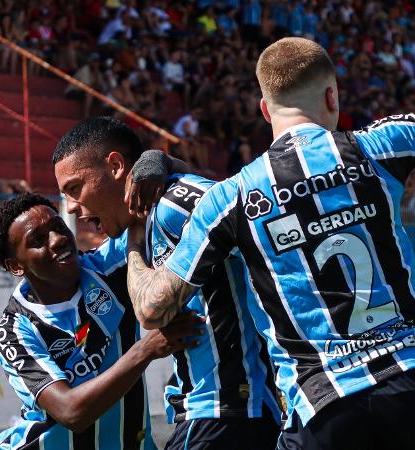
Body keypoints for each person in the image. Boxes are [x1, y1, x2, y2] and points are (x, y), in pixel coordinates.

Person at [126, 37, 415, 449]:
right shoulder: (381, 145)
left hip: (323, 407)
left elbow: (152, 308)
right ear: (332, 96)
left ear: (265, 110)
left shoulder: (231, 197)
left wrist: (136, 243)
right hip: (407, 377)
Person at [53, 117, 281, 449]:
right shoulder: (130, 229)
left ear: (116, 166)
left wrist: (161, 161)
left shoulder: (172, 201)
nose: (72, 207)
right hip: (224, 415)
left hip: (226, 412)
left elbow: (243, 207)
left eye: (75, 188)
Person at [0, 192, 203, 450]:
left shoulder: (109, 266)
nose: (58, 239)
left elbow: (151, 207)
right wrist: (145, 350)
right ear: (16, 266)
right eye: (38, 240)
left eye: (58, 227)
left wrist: (157, 162)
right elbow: (71, 412)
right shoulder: (15, 330)